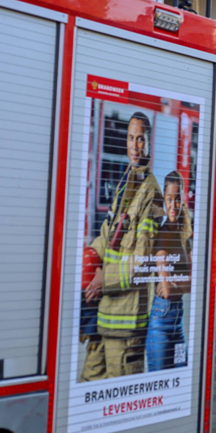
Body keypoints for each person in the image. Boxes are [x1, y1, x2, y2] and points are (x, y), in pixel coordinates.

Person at [83, 112, 163, 379]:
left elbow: (141, 263)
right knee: (89, 384)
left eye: (140, 139)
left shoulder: (151, 193)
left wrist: (103, 279)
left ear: (150, 143)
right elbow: (109, 232)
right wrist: (91, 254)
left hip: (126, 324)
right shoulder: (127, 182)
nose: (134, 144)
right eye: (130, 138)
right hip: (104, 315)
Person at [146, 170, 193, 372]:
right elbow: (165, 290)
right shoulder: (163, 235)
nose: (173, 205)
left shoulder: (184, 236)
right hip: (161, 322)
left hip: (177, 324)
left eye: (177, 199)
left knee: (181, 375)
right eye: (169, 199)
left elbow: (193, 282)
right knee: (159, 380)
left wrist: (177, 284)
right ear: (163, 200)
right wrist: (179, 283)